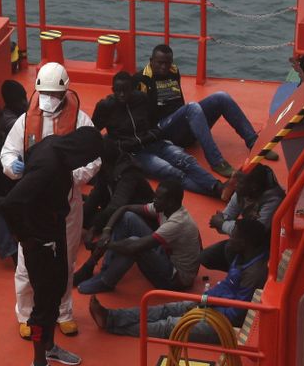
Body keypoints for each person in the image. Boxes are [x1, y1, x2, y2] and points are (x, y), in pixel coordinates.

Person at [0, 127, 104, 366]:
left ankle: (49, 345)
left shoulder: (53, 144)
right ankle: (39, 365)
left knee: (59, 285)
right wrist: (25, 236)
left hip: (55, 230)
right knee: (44, 301)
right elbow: (11, 203)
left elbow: (29, 156)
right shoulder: (49, 167)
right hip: (40, 240)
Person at [0, 62, 100, 339]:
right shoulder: (25, 121)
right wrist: (13, 167)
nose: (50, 100)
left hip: (67, 203)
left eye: (55, 94)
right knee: (26, 264)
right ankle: (26, 313)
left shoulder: (80, 121)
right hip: (33, 204)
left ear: (65, 92)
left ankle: (63, 313)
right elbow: (8, 152)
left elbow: (94, 159)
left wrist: (69, 176)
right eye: (46, 94)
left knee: (65, 263)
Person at [91, 216, 269, 339]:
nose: (230, 240)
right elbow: (227, 288)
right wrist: (207, 301)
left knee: (169, 326)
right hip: (212, 303)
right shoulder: (241, 255)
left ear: (245, 243)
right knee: (169, 308)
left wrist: (209, 309)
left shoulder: (254, 274)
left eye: (234, 237)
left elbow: (238, 315)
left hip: (223, 323)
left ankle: (113, 325)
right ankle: (111, 316)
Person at [137, 45, 267, 179]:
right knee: (192, 107)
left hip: (181, 126)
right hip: (162, 130)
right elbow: (137, 114)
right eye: (160, 63)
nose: (164, 67)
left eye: (167, 63)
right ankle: (217, 162)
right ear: (151, 61)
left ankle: (254, 142)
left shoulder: (174, 71)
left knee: (221, 97)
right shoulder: (141, 79)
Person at [94, 70, 219, 196]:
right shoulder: (105, 107)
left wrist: (153, 134)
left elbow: (154, 122)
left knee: (186, 160)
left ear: (132, 89)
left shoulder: (141, 99)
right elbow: (92, 132)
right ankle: (217, 193)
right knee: (172, 172)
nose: (122, 94)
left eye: (126, 90)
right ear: (113, 90)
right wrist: (115, 148)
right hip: (134, 154)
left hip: (154, 143)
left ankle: (218, 187)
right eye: (118, 91)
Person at [75, 181, 201, 295]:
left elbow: (133, 247)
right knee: (128, 217)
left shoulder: (177, 222)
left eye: (159, 198)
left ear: (171, 202)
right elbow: (125, 208)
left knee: (134, 243)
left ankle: (106, 282)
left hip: (175, 279)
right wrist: (106, 231)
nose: (154, 200)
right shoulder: (165, 208)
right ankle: (105, 269)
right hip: (167, 255)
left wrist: (104, 244)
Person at [204, 164, 285, 270]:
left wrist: (222, 224)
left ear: (254, 186)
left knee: (230, 248)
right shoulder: (242, 191)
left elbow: (254, 233)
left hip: (265, 246)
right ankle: (238, 272)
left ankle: (247, 274)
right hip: (245, 241)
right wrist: (223, 224)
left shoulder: (274, 199)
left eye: (240, 182)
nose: (235, 185)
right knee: (206, 257)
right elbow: (224, 221)